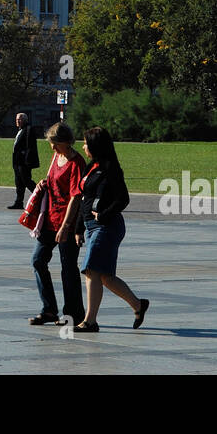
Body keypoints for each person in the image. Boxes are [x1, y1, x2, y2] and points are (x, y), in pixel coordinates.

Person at [74, 126, 147, 332]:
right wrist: (78, 228)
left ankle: (90, 321)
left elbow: (123, 199)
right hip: (90, 226)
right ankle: (138, 305)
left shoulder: (111, 169)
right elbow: (84, 199)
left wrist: (104, 213)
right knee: (106, 277)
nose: (83, 146)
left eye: (86, 143)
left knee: (91, 270)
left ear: (96, 145)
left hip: (107, 226)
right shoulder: (91, 167)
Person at [28, 122, 85, 327]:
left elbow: (75, 198)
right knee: (38, 260)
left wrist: (66, 226)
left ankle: (73, 314)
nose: (52, 148)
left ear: (66, 142)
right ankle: (49, 310)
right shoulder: (56, 157)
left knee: (68, 268)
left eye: (55, 144)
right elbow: (53, 181)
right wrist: (42, 184)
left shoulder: (77, 163)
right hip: (49, 220)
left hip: (66, 223)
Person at [7, 112, 39, 209]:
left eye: (19, 119)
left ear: (25, 120)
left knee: (27, 181)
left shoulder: (29, 129)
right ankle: (18, 202)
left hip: (24, 162)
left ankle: (41, 195)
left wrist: (27, 159)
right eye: (17, 119)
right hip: (17, 161)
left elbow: (30, 146)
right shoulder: (20, 130)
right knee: (19, 182)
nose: (17, 121)